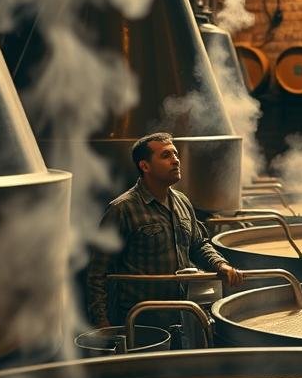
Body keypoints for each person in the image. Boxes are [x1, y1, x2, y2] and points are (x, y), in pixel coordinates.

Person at [86, 132, 243, 330]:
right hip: (141, 320)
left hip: (183, 313)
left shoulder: (182, 201)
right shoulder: (123, 209)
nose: (176, 160)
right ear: (145, 166)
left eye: (176, 154)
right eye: (166, 155)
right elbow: (98, 271)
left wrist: (221, 265)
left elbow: (198, 244)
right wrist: (101, 321)